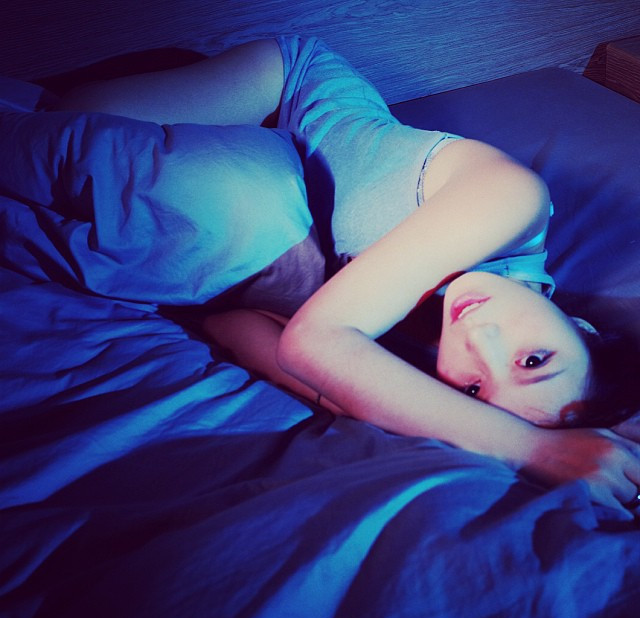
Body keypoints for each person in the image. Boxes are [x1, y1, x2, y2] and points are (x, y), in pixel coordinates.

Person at [56, 36, 640, 514]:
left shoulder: (427, 357)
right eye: (533, 361)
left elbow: (230, 324)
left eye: (472, 391)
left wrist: (354, 395)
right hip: (280, 95)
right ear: (583, 328)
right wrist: (533, 449)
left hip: (271, 179)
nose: (478, 338)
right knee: (63, 124)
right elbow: (311, 341)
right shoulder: (509, 202)